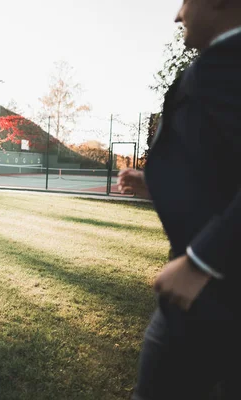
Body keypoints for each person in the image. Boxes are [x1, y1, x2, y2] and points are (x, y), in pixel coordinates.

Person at [118, 1, 241, 398]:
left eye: (185, 0)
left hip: (216, 294)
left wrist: (200, 262)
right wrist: (156, 185)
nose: (177, 15)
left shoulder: (227, 67)